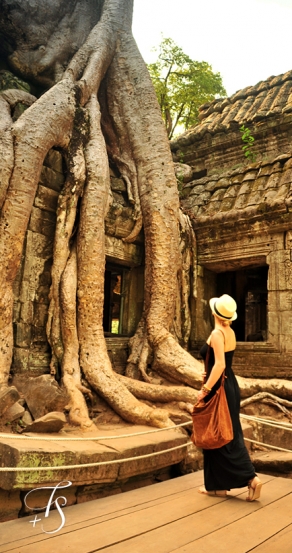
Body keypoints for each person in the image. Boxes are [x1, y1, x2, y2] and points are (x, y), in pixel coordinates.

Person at [196, 294, 262, 501]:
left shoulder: (217, 333)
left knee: (217, 433)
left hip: (219, 387)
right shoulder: (229, 331)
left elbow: (220, 364)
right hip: (229, 383)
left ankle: (250, 478)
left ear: (214, 312)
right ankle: (218, 486)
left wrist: (205, 389)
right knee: (225, 432)